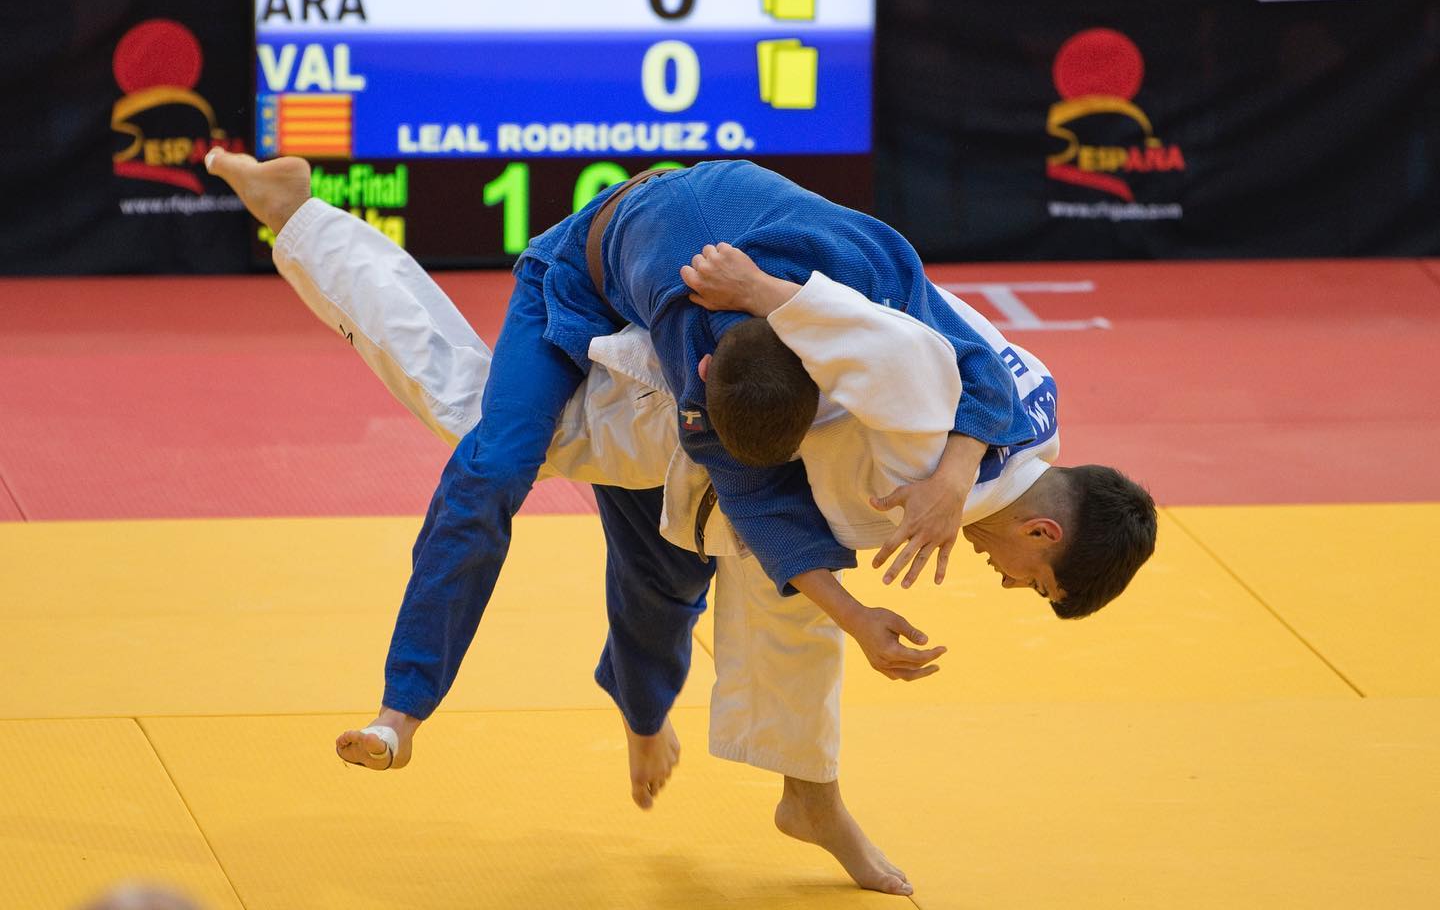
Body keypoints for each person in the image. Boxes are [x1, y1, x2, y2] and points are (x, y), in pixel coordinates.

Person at [206, 149, 1156, 895]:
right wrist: (907, 499)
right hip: (668, 351)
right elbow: (786, 457)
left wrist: (950, 474)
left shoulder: (1018, 413)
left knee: (768, 584)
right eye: (1031, 582)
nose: (1005, 581)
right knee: (490, 434)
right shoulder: (895, 437)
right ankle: (302, 220)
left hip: (746, 327)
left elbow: (941, 334)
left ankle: (799, 794)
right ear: (1048, 536)